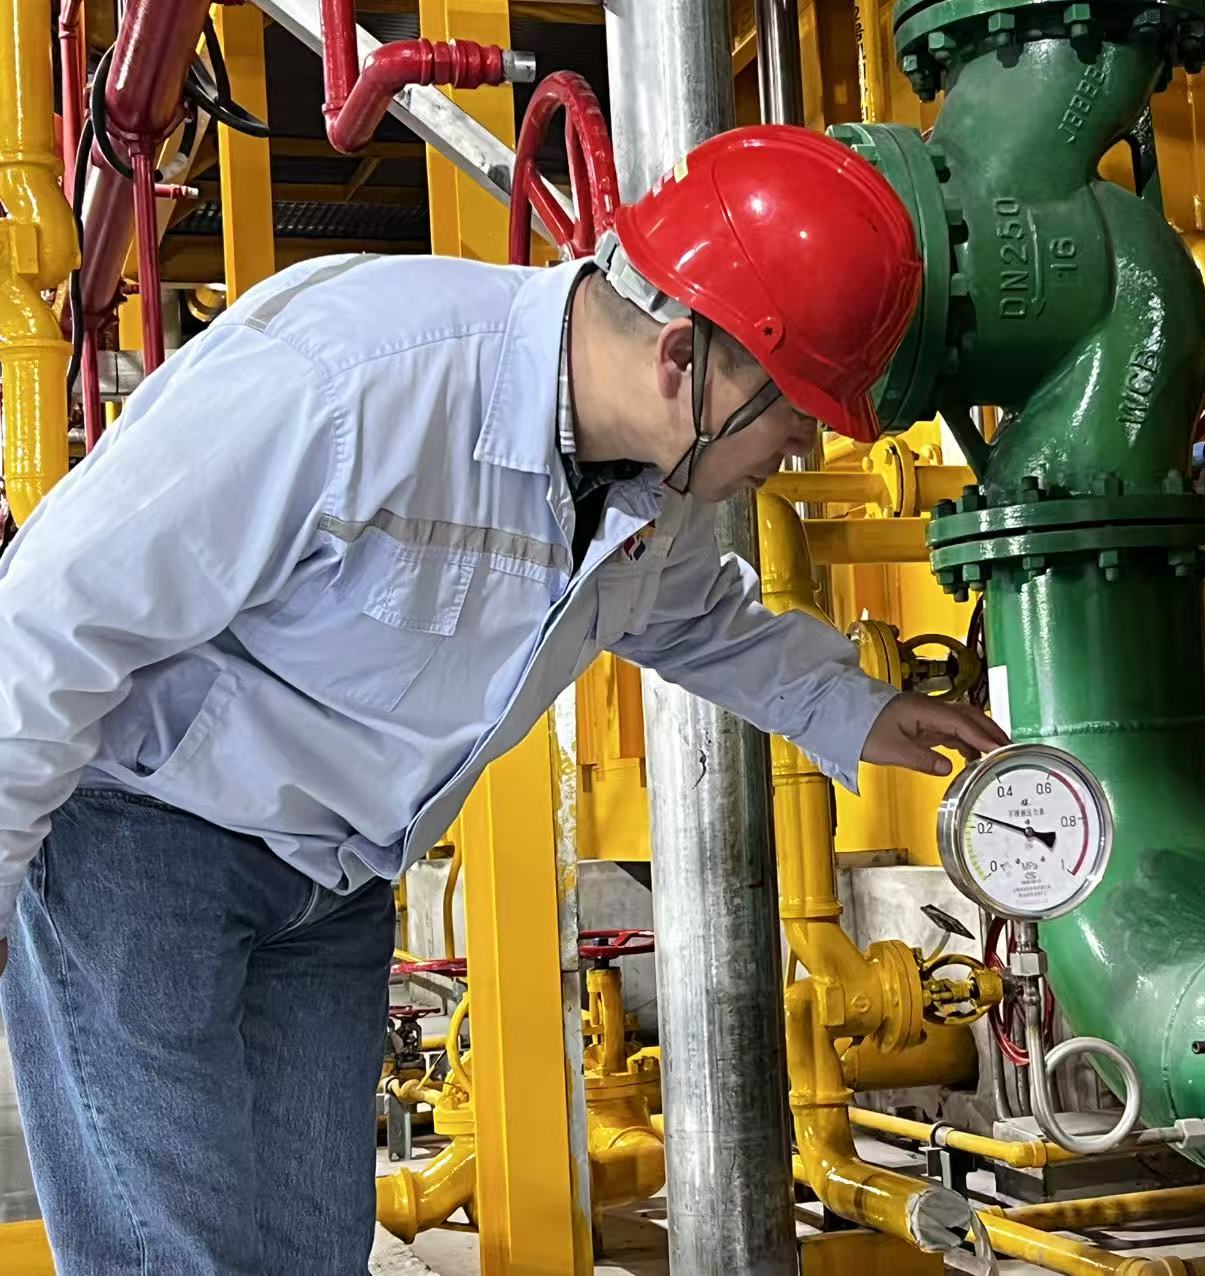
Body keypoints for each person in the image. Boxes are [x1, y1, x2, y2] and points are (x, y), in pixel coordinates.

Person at [0, 125, 1007, 1274]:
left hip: (334, 878)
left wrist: (857, 710)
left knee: (306, 1253)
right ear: (684, 356)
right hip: (145, 846)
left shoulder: (651, 483)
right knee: (170, 1258)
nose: (803, 443)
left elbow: (689, 618)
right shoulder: (351, 379)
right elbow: (53, 617)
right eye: (796, 410)